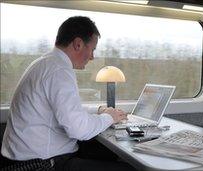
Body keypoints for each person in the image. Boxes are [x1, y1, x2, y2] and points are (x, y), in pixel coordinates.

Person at [1, 16, 134, 170]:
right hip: (41, 163)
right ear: (78, 44)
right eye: (92, 49)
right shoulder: (59, 71)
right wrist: (109, 117)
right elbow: (79, 129)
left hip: (27, 155)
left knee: (109, 154)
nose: (92, 57)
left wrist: (99, 110)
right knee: (128, 168)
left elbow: (68, 111)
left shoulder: (45, 63)